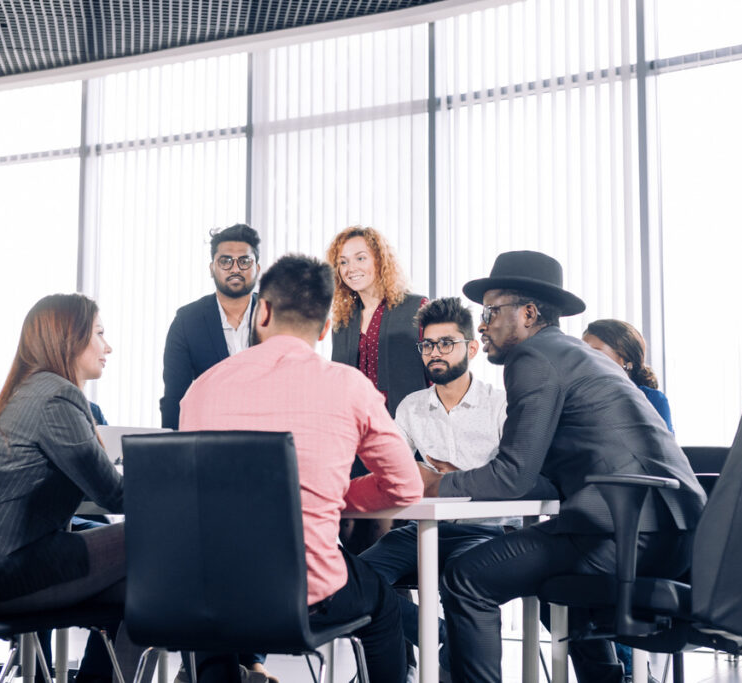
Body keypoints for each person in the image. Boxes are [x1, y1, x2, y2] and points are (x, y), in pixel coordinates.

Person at [417, 251, 707, 683]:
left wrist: (437, 484)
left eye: (492, 311)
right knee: (543, 576)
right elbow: (541, 474)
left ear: (528, 313)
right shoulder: (574, 355)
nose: (482, 324)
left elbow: (512, 475)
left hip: (628, 536)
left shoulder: (532, 359)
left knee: (467, 575)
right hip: (674, 535)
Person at [179, 254, 423, 683]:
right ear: (327, 328)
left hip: (204, 591)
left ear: (263, 311)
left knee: (216, 593)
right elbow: (405, 487)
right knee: (384, 605)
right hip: (303, 595)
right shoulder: (348, 386)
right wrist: (337, 496)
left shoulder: (201, 389)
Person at [0, 294, 135, 683]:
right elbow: (115, 496)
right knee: (161, 541)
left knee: (139, 588)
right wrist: (182, 488)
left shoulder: (29, 391)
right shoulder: (57, 397)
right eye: (99, 333)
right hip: (12, 572)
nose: (107, 346)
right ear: (69, 339)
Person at [359, 297, 511, 676]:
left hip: (486, 532)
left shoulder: (500, 405)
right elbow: (390, 470)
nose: (435, 352)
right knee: (358, 580)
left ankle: (450, 660)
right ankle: (436, 636)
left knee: (463, 585)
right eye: (427, 345)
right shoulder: (411, 407)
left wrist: (447, 479)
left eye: (446, 343)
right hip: (420, 531)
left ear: (471, 348)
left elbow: (512, 477)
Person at [326, 225, 428, 553]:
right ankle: (366, 603)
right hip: (353, 443)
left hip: (401, 440)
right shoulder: (343, 319)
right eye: (343, 262)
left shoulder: (417, 308)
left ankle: (402, 606)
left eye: (360, 258)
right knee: (355, 537)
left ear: (380, 260)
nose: (351, 268)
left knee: (395, 541)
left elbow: (434, 376)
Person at [160, 223, 262, 429]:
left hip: (268, 437)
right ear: (211, 268)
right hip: (209, 441)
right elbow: (174, 398)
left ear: (257, 268)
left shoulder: (276, 316)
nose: (235, 268)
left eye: (244, 261)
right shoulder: (187, 321)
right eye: (225, 261)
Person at [583, 319, 673, 432]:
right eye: (582, 351)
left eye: (596, 352)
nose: (584, 358)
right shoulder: (576, 399)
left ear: (625, 361)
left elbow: (663, 448)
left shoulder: (652, 400)